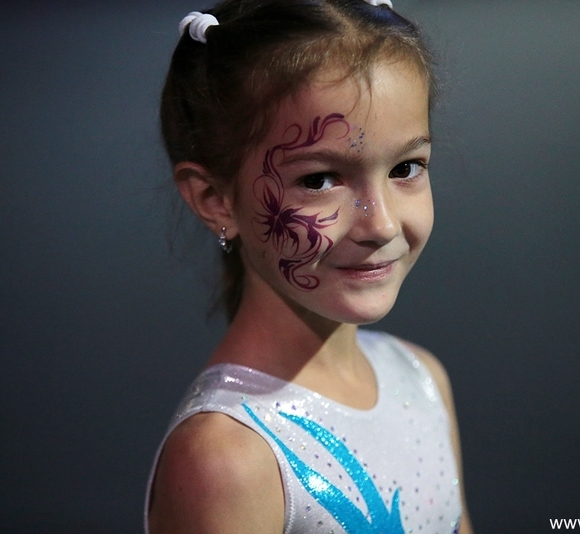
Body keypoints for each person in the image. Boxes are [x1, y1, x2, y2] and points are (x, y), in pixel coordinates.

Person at [145, 1, 473, 532]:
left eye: (406, 168)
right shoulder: (227, 460)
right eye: (319, 180)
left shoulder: (422, 378)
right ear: (215, 200)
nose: (381, 224)